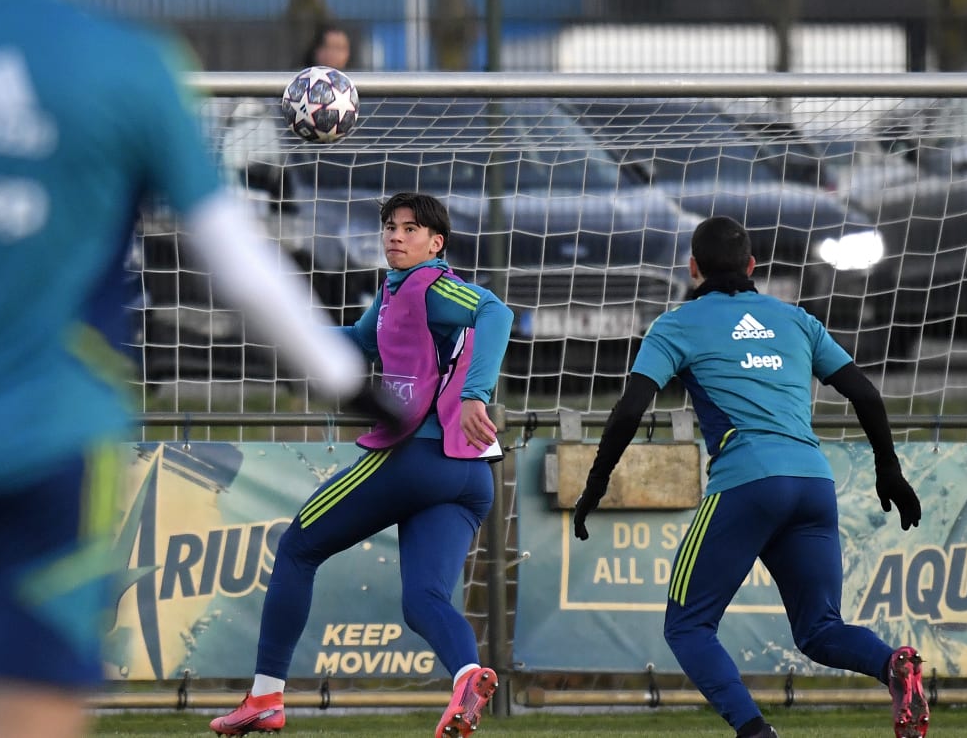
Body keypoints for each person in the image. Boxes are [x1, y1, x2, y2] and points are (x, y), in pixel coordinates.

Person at [0, 1, 397, 737]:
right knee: (33, 709)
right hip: (54, 433)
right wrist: (349, 383)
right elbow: (239, 265)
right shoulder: (132, 64)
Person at [572, 216, 929, 738]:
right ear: (753, 267)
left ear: (692, 269)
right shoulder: (797, 320)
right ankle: (892, 663)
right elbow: (867, 395)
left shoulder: (676, 324)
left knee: (688, 625)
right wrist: (888, 471)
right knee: (820, 630)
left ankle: (755, 732)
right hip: (812, 483)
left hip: (747, 482)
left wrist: (597, 483)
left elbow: (629, 411)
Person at [210, 192, 514, 738]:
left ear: (435, 243)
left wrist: (476, 394)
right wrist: (287, 335)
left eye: (411, 229)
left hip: (418, 456)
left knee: (298, 547)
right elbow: (357, 340)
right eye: (390, 227)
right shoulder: (395, 291)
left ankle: (265, 698)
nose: (396, 236)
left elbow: (496, 310)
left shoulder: (434, 285)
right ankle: (469, 677)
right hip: (468, 475)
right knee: (423, 600)